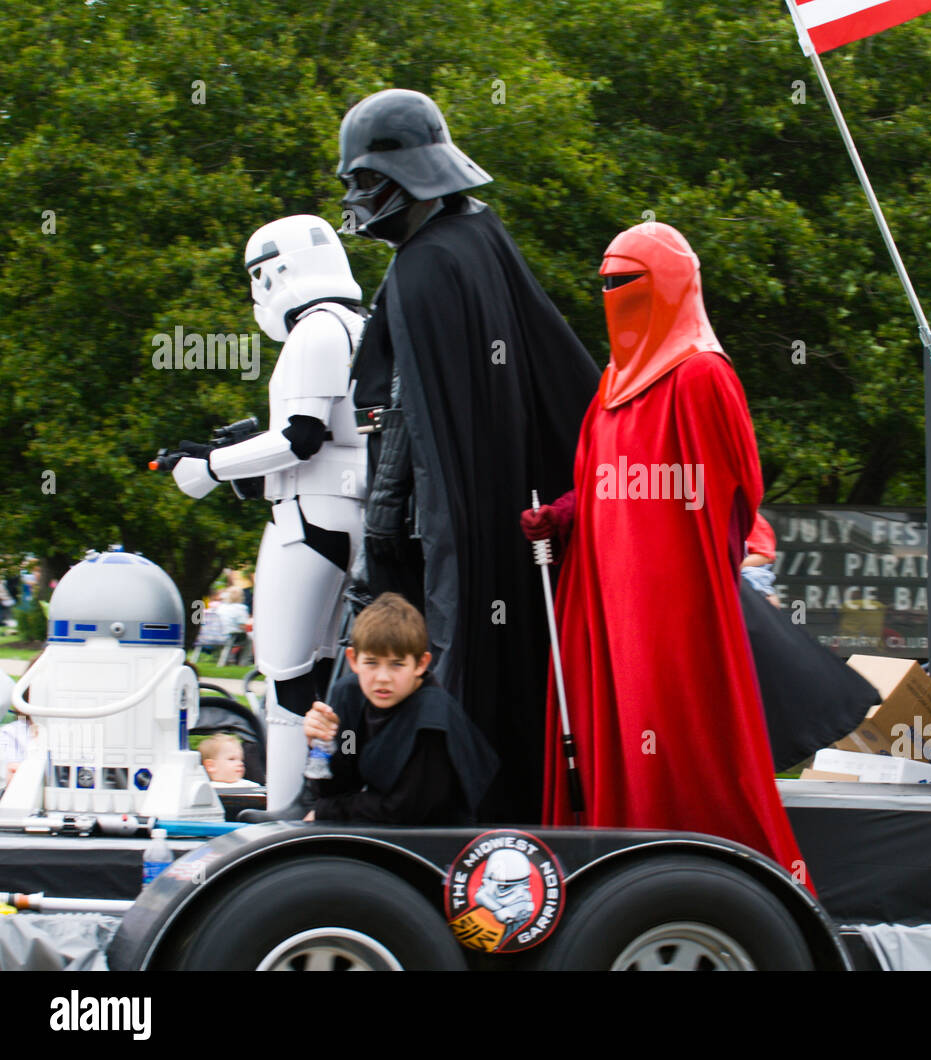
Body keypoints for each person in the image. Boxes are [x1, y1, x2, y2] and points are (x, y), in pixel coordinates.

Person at [337, 88, 600, 822]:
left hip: (442, 532)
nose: (356, 200)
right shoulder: (478, 239)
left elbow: (412, 425)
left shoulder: (428, 266)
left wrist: (385, 536)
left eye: (364, 180)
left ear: (406, 175)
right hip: (476, 523)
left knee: (405, 667)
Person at [521, 221, 808, 882]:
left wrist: (685, 572)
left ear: (674, 286)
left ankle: (726, 888)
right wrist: (560, 517)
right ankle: (619, 884)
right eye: (607, 284)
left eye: (627, 281)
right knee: (610, 747)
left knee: (682, 747)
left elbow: (739, 493)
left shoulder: (703, 376)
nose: (613, 294)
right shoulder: (610, 389)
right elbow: (598, 488)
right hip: (602, 604)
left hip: (673, 609)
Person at [169, 215, 369, 808]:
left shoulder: (317, 330)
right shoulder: (362, 326)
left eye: (259, 276)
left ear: (279, 271)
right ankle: (320, 806)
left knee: (287, 680)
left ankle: (284, 816)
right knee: (329, 681)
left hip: (308, 523)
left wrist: (211, 466)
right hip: (348, 518)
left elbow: (300, 436)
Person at [300, 593, 498, 825]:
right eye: (371, 663)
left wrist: (325, 812)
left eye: (397, 664)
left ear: (421, 664)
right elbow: (337, 784)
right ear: (353, 660)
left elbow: (403, 810)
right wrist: (322, 745)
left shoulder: (432, 721)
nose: (383, 678)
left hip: (437, 841)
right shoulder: (350, 695)